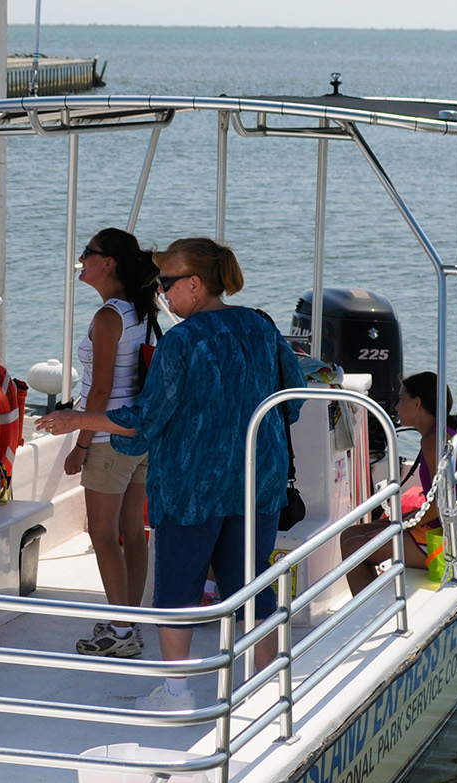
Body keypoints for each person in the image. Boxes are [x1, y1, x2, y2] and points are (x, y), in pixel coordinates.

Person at [37, 237, 303, 709]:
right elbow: (295, 398)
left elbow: (143, 420)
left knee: (178, 586)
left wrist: (75, 420)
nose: (161, 292)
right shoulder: (262, 325)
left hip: (191, 486)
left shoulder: (181, 341)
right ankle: (264, 690)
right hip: (256, 481)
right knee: (250, 584)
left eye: (167, 283)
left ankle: (177, 694)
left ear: (195, 285)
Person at [65, 228, 161, 658]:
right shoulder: (143, 311)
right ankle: (129, 621)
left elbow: (99, 391)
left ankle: (121, 631)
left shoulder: (108, 317)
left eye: (89, 253)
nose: (82, 259)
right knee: (132, 532)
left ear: (109, 264)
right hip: (138, 433)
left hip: (106, 436)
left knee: (102, 534)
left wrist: (81, 444)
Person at [340, 370, 457, 594]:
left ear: (417, 403)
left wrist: (398, 526)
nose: (396, 407)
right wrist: (396, 523)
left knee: (354, 546)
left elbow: (438, 506)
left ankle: (370, 617)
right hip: (454, 525)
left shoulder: (435, 441)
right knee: (350, 534)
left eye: (402, 400)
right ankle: (371, 604)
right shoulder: (441, 434)